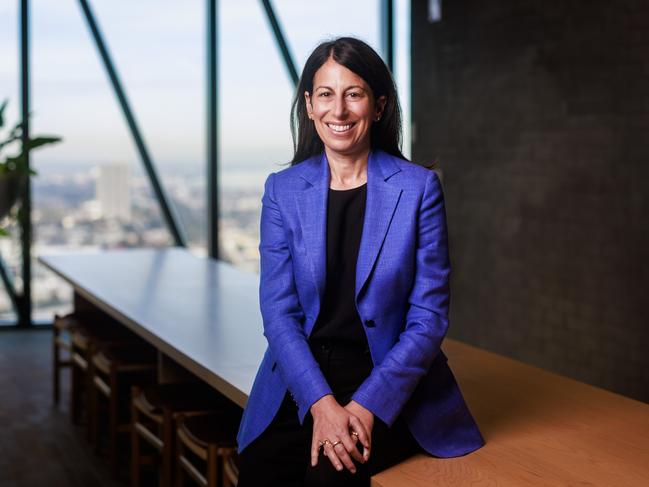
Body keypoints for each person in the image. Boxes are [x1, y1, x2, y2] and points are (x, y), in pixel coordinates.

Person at [236, 36, 484, 487]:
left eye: (354, 94)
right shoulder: (282, 191)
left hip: (386, 379)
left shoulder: (418, 189)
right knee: (259, 470)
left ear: (379, 105)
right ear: (309, 106)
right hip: (304, 373)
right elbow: (279, 313)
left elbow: (427, 318)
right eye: (326, 95)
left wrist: (365, 407)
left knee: (332, 475)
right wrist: (321, 404)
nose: (340, 110)